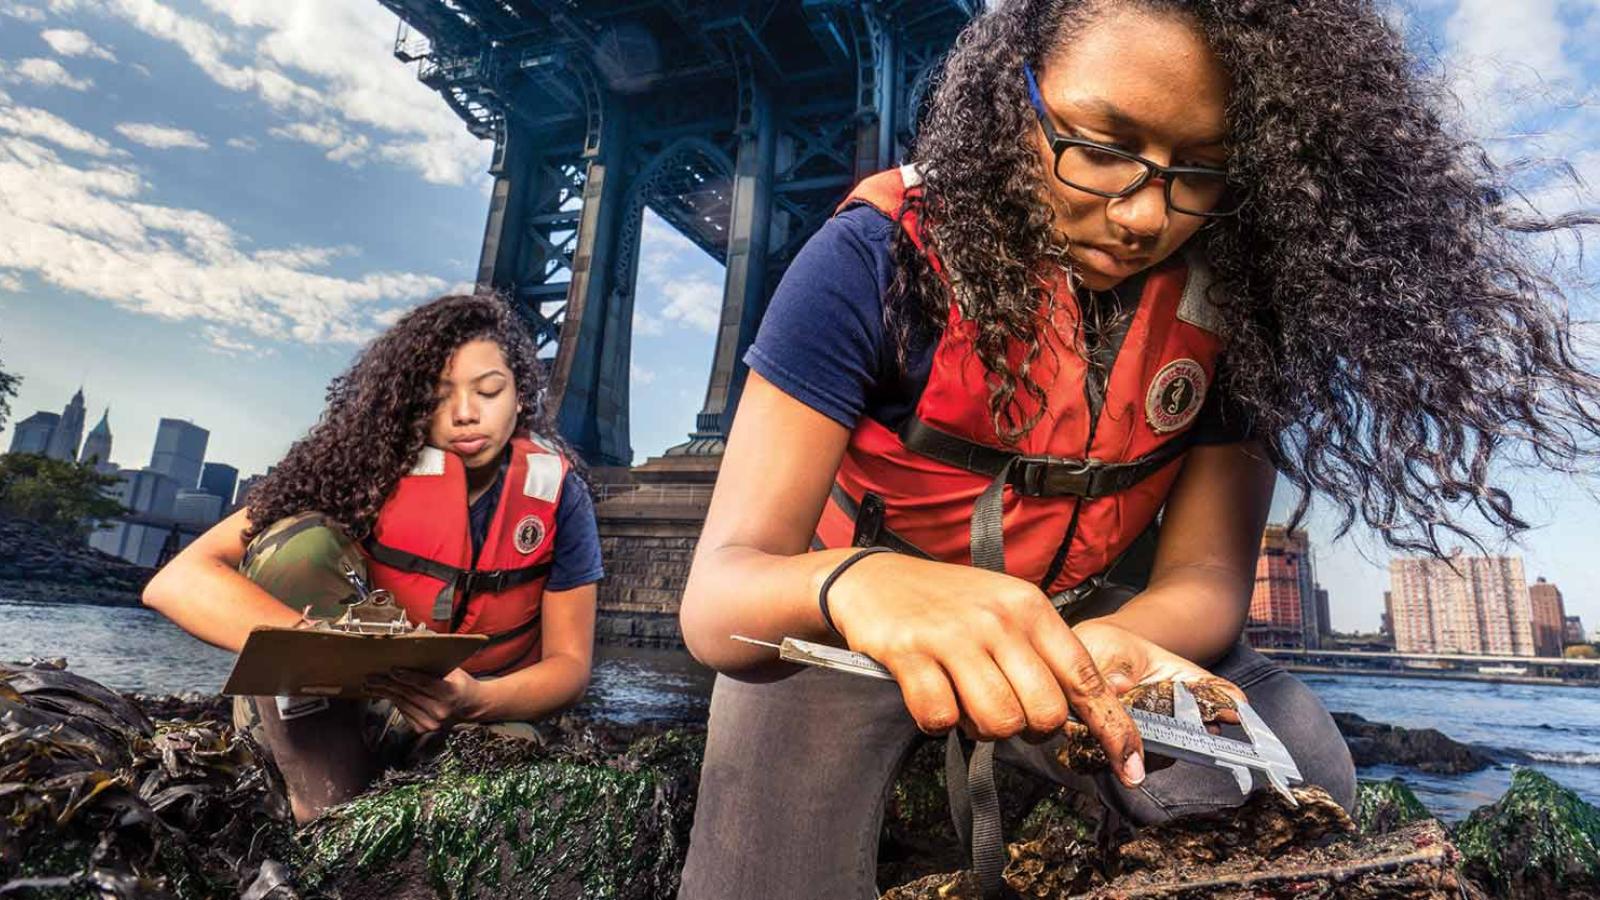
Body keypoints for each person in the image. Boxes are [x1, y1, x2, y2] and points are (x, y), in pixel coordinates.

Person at [674, 0, 1600, 897]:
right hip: (850, 632)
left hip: (1090, 625)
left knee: (1301, 764)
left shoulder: (1241, 309)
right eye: (1104, 149)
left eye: (1199, 170)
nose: (1146, 215)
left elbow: (1206, 578)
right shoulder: (874, 256)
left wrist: (1116, 645)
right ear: (1014, 100)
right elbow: (721, 598)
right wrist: (861, 583)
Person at [144, 294, 604, 823]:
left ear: (520, 396)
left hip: (464, 713)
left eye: (489, 390)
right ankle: (319, 807)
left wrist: (476, 700)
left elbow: (570, 667)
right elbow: (177, 580)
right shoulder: (361, 467)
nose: (465, 413)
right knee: (298, 537)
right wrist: (317, 648)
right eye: (437, 396)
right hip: (316, 707)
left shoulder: (558, 495)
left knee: (508, 761)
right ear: (411, 404)